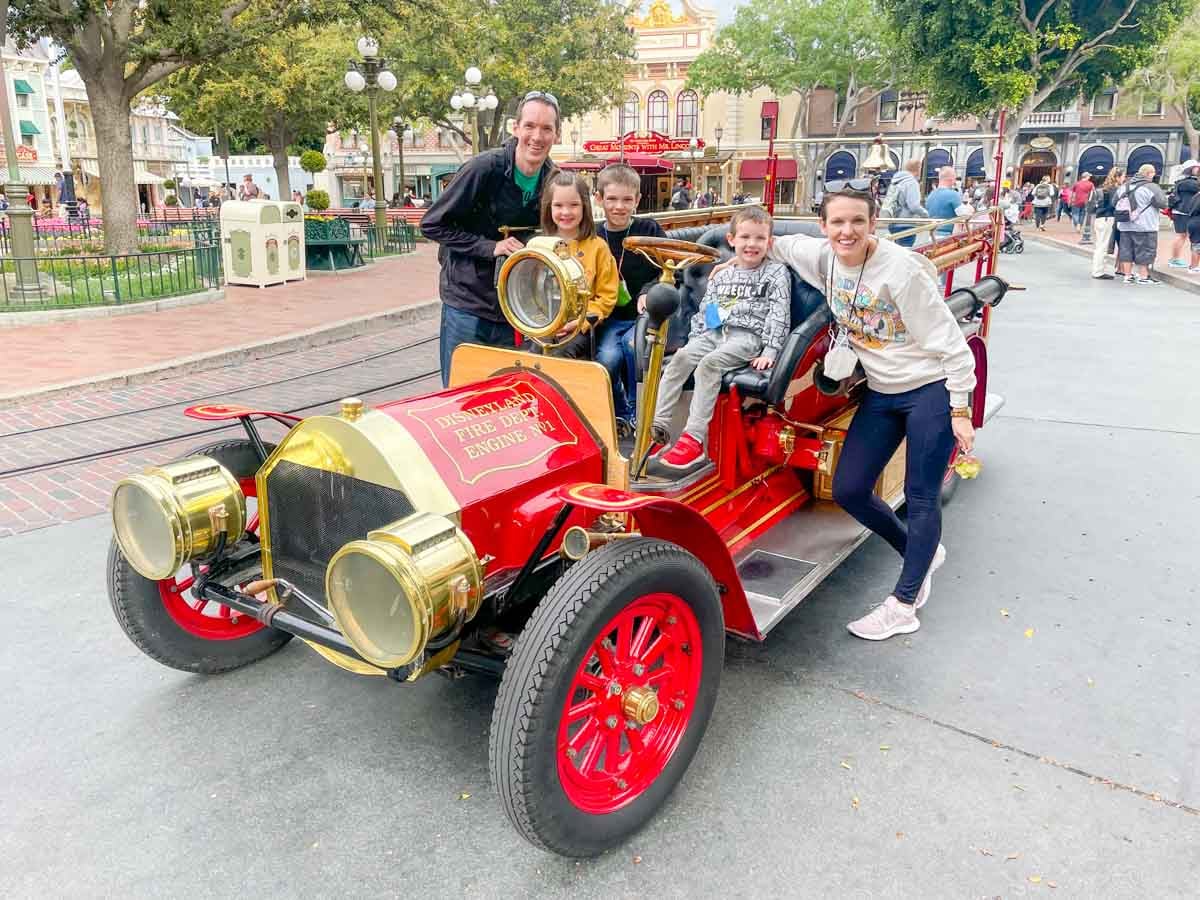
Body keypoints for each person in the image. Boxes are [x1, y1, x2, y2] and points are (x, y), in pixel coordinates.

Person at [763, 186, 976, 640]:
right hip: (881, 390)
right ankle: (919, 549)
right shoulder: (821, 257)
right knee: (850, 489)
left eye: (857, 221)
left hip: (929, 389)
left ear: (873, 223)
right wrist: (732, 257)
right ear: (822, 226)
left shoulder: (900, 272)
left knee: (921, 497)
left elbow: (953, 347)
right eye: (837, 222)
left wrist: (960, 408)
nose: (847, 231)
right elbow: (768, 240)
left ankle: (904, 604)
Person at [421, 91, 560, 384]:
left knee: (507, 395)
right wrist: (490, 247)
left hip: (518, 308)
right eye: (530, 126)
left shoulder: (553, 180)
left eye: (546, 128)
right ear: (516, 128)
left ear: (556, 135)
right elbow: (432, 224)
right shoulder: (483, 168)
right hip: (468, 301)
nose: (537, 136)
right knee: (460, 394)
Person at [650, 206, 791, 474]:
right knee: (680, 358)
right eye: (745, 237)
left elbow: (778, 312)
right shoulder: (722, 274)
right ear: (732, 240)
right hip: (713, 333)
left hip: (746, 337)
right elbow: (709, 310)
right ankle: (659, 427)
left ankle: (693, 438)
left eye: (760, 239)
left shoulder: (775, 273)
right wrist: (695, 340)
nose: (752, 244)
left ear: (769, 243)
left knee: (709, 365)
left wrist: (771, 350)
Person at [592, 164, 668, 429]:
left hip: (642, 316)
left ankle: (639, 413)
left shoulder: (649, 229)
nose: (619, 207)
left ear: (637, 200)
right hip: (609, 318)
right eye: (611, 199)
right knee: (607, 360)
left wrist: (649, 292)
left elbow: (667, 270)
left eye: (626, 200)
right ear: (599, 199)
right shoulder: (593, 235)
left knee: (633, 347)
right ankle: (621, 409)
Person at [534, 171, 619, 359]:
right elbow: (529, 292)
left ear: (584, 207)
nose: (566, 212)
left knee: (561, 357)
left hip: (580, 327)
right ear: (549, 208)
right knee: (529, 356)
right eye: (558, 205)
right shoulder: (538, 245)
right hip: (542, 325)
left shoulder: (598, 247)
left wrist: (581, 322)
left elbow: (607, 297)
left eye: (573, 205)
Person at [1114, 163, 1169, 286]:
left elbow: (1114, 202)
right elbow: (1162, 203)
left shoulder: (1124, 186)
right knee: (1145, 250)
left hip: (1125, 224)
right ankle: (1143, 276)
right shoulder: (1151, 187)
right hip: (1145, 225)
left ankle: (1127, 275)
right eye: (1153, 173)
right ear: (1149, 174)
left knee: (1126, 249)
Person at [880, 158, 927, 248]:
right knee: (906, 253)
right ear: (919, 168)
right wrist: (926, 215)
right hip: (906, 223)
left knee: (898, 251)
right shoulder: (911, 182)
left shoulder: (896, 181)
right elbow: (914, 206)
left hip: (893, 222)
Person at [1090, 167, 1125, 280]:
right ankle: (1098, 271)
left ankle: (1098, 270)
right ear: (1117, 177)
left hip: (1099, 217)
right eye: (1123, 176)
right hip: (1108, 217)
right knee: (1103, 246)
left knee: (1100, 245)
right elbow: (1114, 205)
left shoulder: (1104, 188)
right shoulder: (1115, 190)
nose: (1123, 179)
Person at [1166, 161, 1199, 268]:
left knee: (1182, 236)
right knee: (1182, 236)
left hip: (1180, 212)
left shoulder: (1182, 181)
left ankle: (1175, 259)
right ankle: (1174, 259)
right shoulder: (1190, 183)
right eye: (1196, 167)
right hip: (1184, 212)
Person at [924, 166, 962, 239]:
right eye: (955, 178)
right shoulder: (953, 195)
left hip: (932, 235)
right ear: (951, 178)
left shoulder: (930, 195)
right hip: (947, 236)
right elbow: (963, 216)